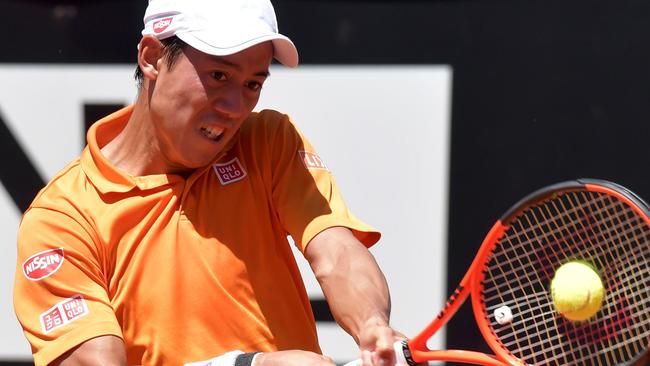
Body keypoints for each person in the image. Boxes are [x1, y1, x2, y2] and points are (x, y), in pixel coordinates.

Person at [13, 0, 406, 365]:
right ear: (151, 58)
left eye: (253, 83)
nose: (236, 106)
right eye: (219, 75)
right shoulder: (60, 222)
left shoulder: (269, 141)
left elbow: (336, 251)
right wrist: (246, 364)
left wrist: (372, 326)